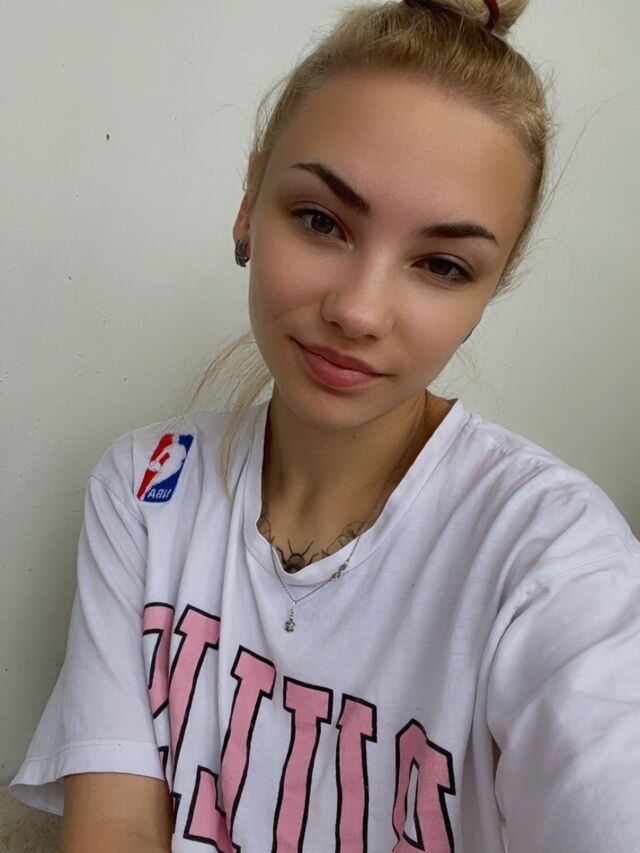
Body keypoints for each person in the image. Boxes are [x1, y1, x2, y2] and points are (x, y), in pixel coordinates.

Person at [9, 1, 640, 850]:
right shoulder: (146, 486)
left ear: (491, 289)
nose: (358, 311)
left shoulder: (555, 558)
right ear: (249, 201)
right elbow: (116, 822)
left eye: (442, 264)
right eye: (321, 220)